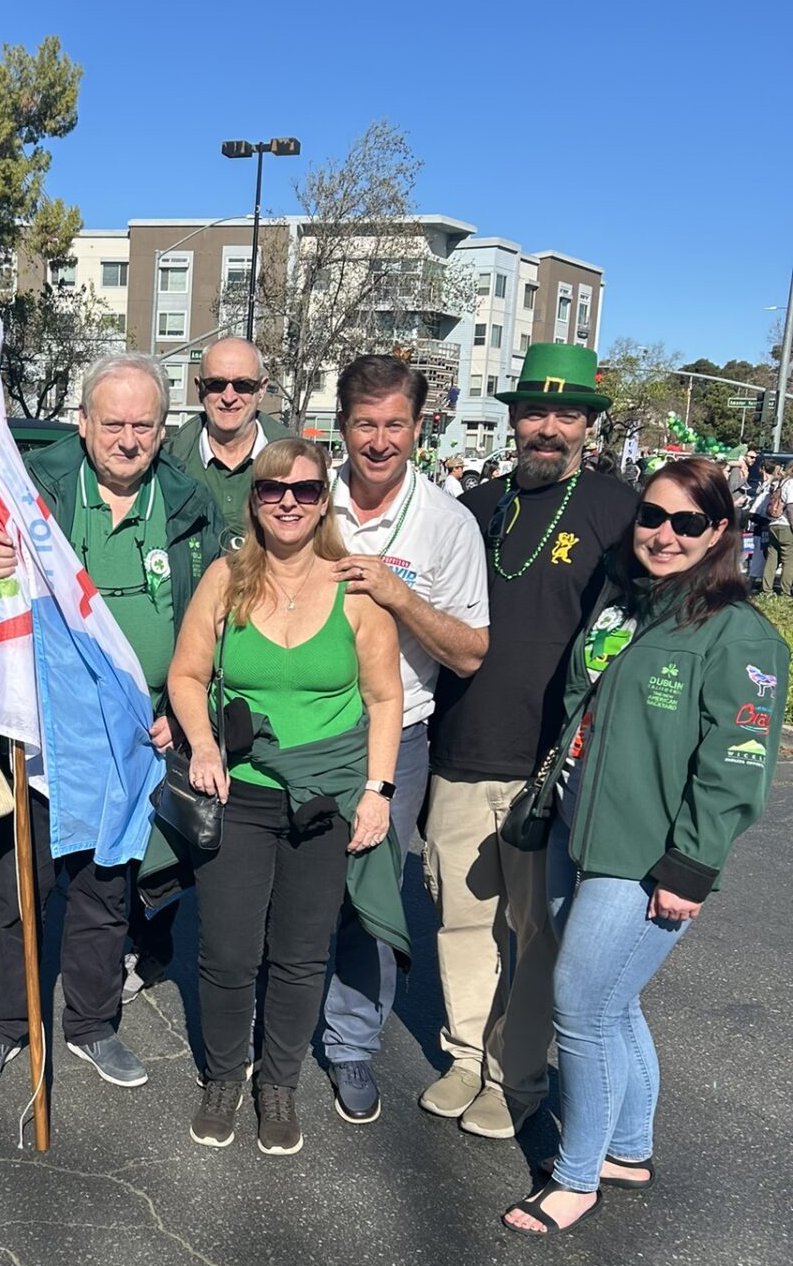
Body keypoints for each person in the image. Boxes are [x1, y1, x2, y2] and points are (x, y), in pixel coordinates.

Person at [503, 459, 786, 1235]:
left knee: (582, 1008)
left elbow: (736, 767)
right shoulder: (625, 610)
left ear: (720, 531)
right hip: (576, 831)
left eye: (687, 522)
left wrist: (690, 868)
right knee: (612, 1002)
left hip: (649, 857)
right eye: (653, 517)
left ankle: (577, 1176)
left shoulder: (740, 636)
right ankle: (628, 1147)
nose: (664, 535)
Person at [0, 351, 220, 1093]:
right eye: (113, 422)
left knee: (106, 891)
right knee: (18, 892)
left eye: (144, 424)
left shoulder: (190, 504)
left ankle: (93, 1023)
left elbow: (211, 623)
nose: (128, 438)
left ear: (164, 430)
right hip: (40, 729)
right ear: (83, 422)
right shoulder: (30, 486)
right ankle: (5, 1022)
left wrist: (181, 708)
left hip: (134, 737)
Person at [422, 344, 638, 1139]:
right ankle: (464, 1054)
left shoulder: (619, 511)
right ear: (513, 420)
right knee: (461, 920)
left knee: (537, 930)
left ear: (587, 425)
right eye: (536, 413)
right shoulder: (473, 508)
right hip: (461, 745)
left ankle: (516, 1070)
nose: (549, 429)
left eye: (567, 415)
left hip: (551, 763)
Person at [167, 438, 406, 1157]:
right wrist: (203, 745)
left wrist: (378, 792)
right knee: (229, 950)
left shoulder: (358, 587)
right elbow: (185, 675)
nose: (289, 502)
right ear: (256, 499)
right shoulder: (226, 578)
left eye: (304, 490)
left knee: (301, 954)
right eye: (273, 490)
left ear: (323, 500)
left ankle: (279, 1083)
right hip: (241, 791)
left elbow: (385, 697)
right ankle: (224, 1077)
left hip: (327, 798)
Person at [316, 356, 489, 1121]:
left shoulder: (448, 524)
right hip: (295, 732)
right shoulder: (300, 498)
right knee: (283, 892)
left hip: (395, 736)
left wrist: (397, 592)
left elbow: (469, 651)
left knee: (370, 903)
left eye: (394, 425)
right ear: (341, 425)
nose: (379, 441)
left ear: (420, 428)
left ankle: (351, 1043)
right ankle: (276, 1027)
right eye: (364, 423)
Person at [164, 337, 292, 547]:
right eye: (216, 384)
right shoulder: (169, 463)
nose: (229, 397)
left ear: (261, 389)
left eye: (242, 385)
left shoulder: (297, 461)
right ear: (199, 388)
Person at [758, 462, 793, 597]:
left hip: (773, 524)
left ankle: (766, 590)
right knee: (788, 560)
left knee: (772, 558)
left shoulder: (780, 482)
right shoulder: (792, 484)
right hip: (785, 525)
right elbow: (790, 508)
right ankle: (785, 592)